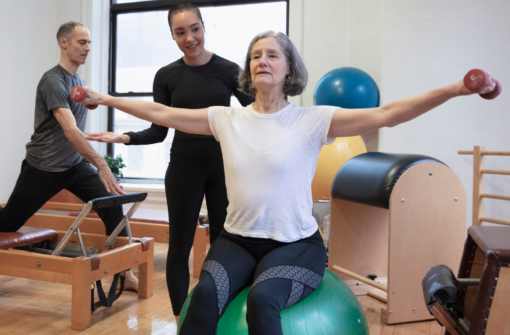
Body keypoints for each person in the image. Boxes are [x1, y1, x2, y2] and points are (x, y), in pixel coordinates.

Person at [77, 30, 499, 334]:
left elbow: (388, 114)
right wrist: (106, 99)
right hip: (237, 239)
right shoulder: (227, 118)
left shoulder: (313, 120)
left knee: (264, 300)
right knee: (203, 297)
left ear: (289, 68)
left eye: (273, 55)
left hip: (296, 243)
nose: (262, 60)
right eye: (255, 55)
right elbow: (164, 114)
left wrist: (456, 88)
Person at [86, 3, 255, 320]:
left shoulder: (230, 70)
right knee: (179, 249)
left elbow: (256, 114)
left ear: (203, 27)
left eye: (194, 29)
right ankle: (182, 319)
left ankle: (220, 313)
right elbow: (158, 129)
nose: (189, 38)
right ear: (172, 36)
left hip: (223, 168)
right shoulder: (167, 75)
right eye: (180, 32)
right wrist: (124, 138)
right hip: (183, 169)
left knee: (222, 247)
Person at [0, 21, 138, 290]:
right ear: (64, 43)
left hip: (73, 166)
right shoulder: (53, 80)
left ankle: (125, 273)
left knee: (111, 205)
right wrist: (101, 164)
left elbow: (79, 112)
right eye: (81, 42)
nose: (88, 48)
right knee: (8, 222)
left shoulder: (79, 81)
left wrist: (91, 101)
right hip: (43, 167)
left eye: (89, 42)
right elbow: (71, 131)